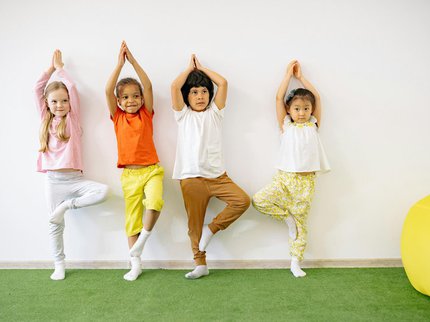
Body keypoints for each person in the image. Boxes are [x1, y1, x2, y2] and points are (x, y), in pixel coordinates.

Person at [171, 54, 250, 279]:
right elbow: (174, 86)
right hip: (191, 178)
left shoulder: (215, 113)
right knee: (193, 225)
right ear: (187, 96)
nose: (200, 96)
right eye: (194, 92)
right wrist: (189, 70)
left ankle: (211, 229)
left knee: (242, 200)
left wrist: (203, 69)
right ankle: (200, 264)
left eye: (204, 91)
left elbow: (223, 83)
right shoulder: (182, 115)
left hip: (218, 177)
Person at [252, 60, 330, 277]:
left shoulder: (314, 124)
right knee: (259, 200)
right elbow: (278, 98)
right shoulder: (286, 126)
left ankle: (295, 262)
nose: (302, 112)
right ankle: (287, 220)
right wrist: (288, 75)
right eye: (297, 108)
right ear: (289, 110)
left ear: (311, 110)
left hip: (306, 183)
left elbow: (319, 98)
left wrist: (302, 78)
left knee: (302, 224)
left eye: (306, 108)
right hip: (284, 179)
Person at [35, 50, 108, 280]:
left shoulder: (73, 118)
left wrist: (61, 69)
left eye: (64, 101)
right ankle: (59, 264)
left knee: (104, 191)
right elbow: (37, 88)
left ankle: (67, 206)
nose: (60, 105)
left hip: (75, 180)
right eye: (55, 101)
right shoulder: (45, 119)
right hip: (54, 181)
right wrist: (49, 70)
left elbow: (73, 89)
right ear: (47, 104)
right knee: (54, 225)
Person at [106, 41, 164, 281]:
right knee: (131, 220)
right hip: (129, 175)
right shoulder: (117, 117)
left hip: (151, 171)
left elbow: (148, 85)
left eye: (136, 96)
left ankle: (143, 240)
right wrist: (120, 64)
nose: (132, 100)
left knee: (155, 201)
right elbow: (108, 91)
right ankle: (135, 262)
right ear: (119, 102)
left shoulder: (146, 114)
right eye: (126, 97)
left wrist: (134, 62)